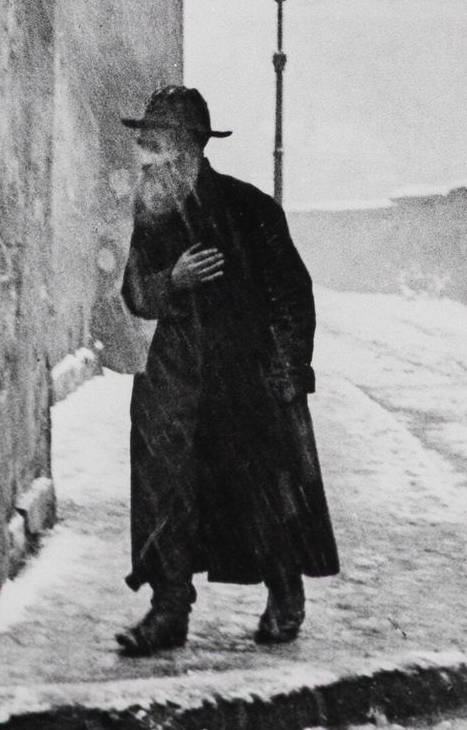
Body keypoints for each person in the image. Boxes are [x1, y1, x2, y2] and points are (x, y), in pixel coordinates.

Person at [115, 85, 339, 655]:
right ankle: (168, 611)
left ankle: (284, 595)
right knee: (167, 494)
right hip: (172, 381)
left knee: (261, 492)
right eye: (145, 144)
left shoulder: (249, 208)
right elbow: (135, 294)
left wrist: (288, 369)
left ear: (189, 146)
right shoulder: (150, 213)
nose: (147, 156)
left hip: (242, 380)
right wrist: (173, 282)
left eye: (157, 143)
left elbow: (293, 293)